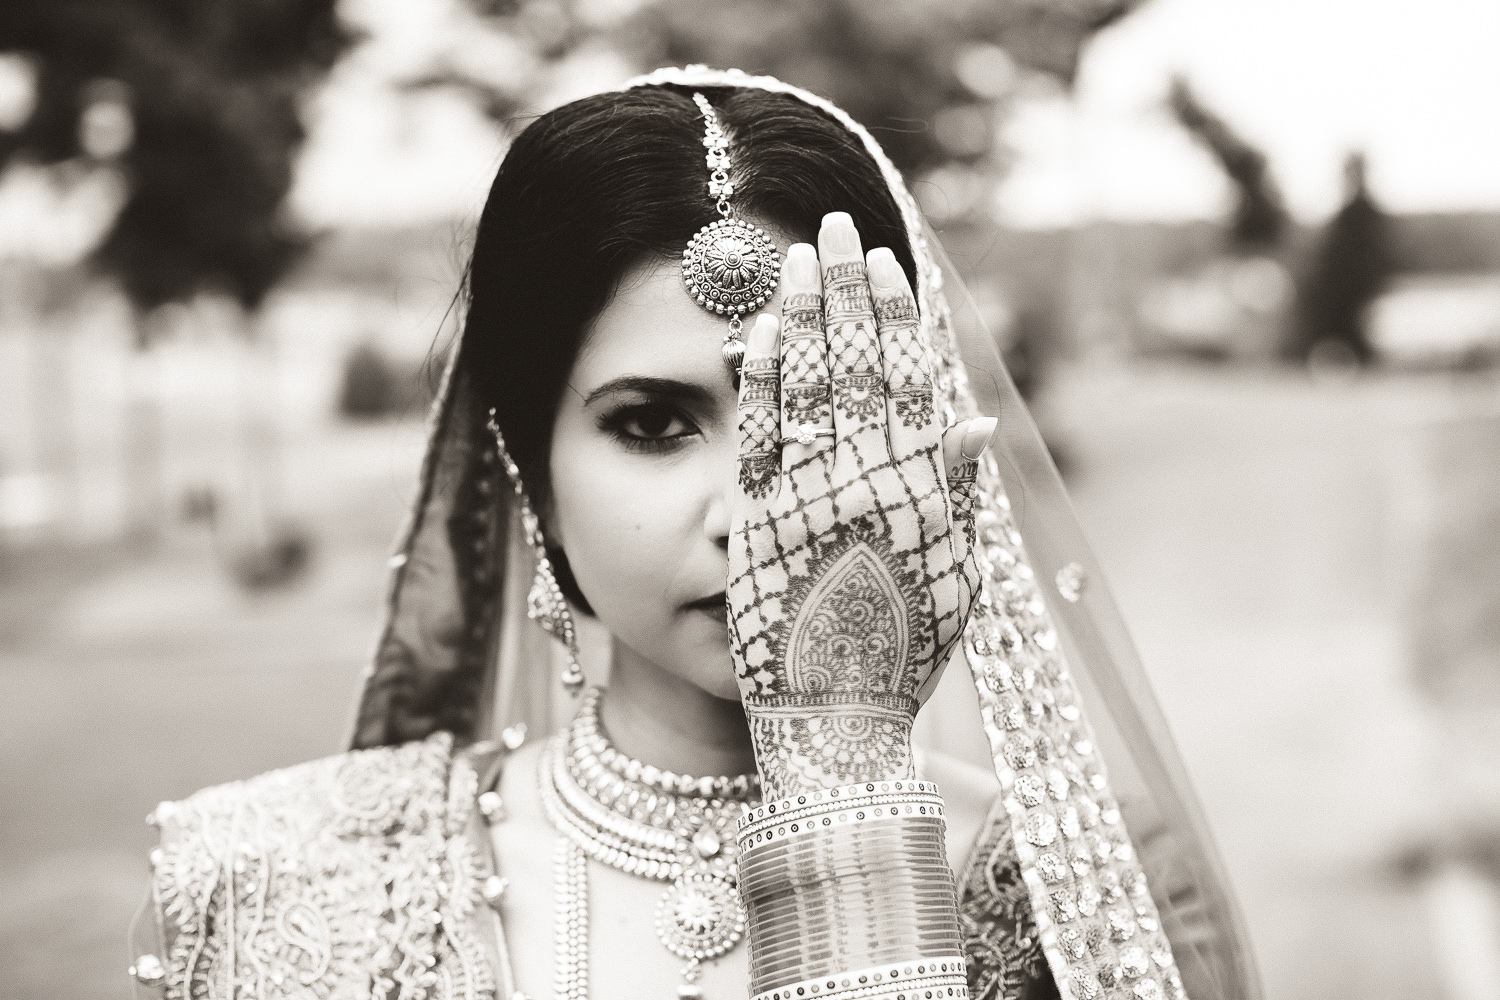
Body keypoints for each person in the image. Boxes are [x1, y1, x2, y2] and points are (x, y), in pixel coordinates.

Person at [127, 67, 1259, 1000]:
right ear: (531, 464)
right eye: (655, 425)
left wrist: (845, 772)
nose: (756, 512)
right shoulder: (273, 886)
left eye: (809, 423)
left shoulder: (1088, 896)